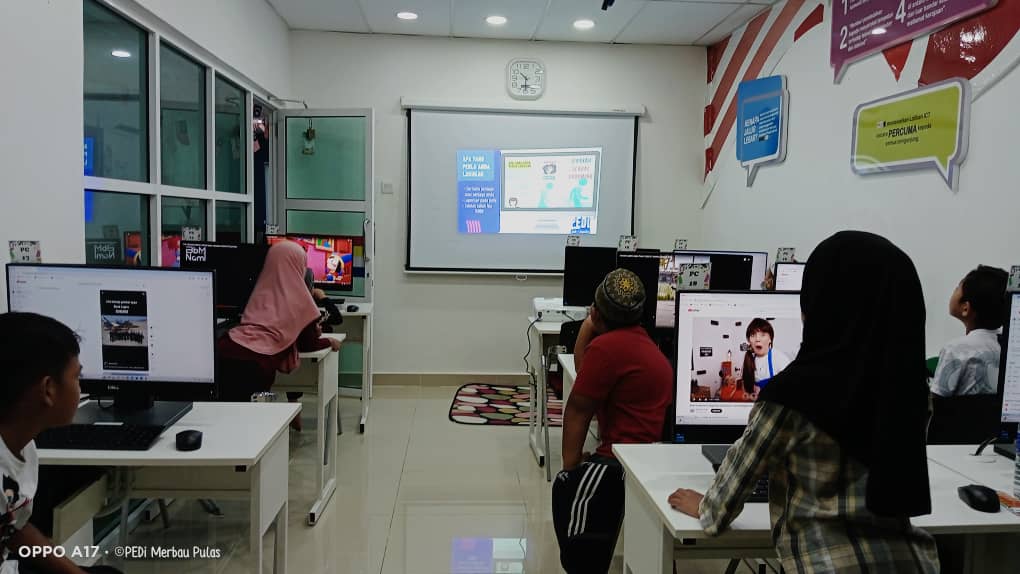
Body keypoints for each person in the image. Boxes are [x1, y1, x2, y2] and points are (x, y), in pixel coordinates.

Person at [667, 231, 939, 573]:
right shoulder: (911, 391)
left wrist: (705, 507)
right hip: (912, 562)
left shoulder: (793, 395)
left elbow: (724, 502)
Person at [552, 269, 673, 574]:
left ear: (596, 311)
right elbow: (586, 373)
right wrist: (589, 326)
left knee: (566, 486)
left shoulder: (608, 348)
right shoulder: (641, 343)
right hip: (651, 456)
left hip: (622, 461)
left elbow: (578, 407)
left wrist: (571, 464)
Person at [0, 312, 122, 574]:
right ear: (48, 389)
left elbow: (13, 528)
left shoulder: (22, 444)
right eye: (76, 377)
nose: (80, 388)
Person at [216, 240, 341, 403]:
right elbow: (308, 344)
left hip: (224, 349)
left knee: (223, 410)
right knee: (253, 413)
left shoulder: (259, 291)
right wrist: (330, 341)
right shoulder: (302, 302)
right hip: (255, 366)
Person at [931, 265, 1009, 396]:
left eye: (957, 288)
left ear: (965, 308)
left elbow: (937, 399)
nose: (954, 290)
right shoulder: (1008, 347)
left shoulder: (955, 349)